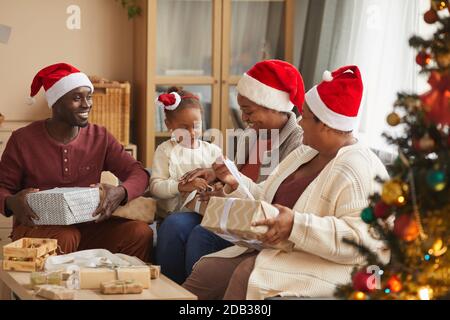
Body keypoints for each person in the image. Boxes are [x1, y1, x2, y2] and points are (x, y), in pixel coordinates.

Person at [182, 65, 390, 299]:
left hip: (329, 265)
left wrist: (295, 225)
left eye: (307, 117)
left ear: (326, 124)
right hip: (277, 250)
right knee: (209, 271)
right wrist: (232, 182)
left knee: (247, 274)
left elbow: (361, 240)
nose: (300, 123)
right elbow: (264, 197)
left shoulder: (358, 168)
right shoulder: (305, 153)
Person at [155, 60, 305, 284]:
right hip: (230, 209)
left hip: (254, 220)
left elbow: (269, 196)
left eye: (248, 111)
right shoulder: (252, 133)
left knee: (201, 235)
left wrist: (228, 183)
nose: (244, 118)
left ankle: (193, 297)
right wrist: (214, 177)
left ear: (272, 105)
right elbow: (236, 175)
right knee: (173, 226)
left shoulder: (298, 144)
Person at [0, 63, 153, 262]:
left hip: (90, 228)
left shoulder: (100, 136)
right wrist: (12, 202)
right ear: (56, 103)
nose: (86, 104)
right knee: (66, 237)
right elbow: (2, 187)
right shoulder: (22, 139)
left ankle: (123, 289)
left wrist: (121, 192)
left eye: (88, 97)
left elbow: (138, 172)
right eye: (77, 98)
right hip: (36, 229)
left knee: (140, 233)